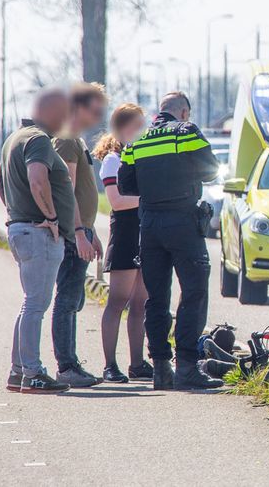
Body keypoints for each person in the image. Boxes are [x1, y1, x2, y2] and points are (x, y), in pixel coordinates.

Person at [118, 92, 220, 390]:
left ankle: (161, 369)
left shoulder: (137, 140)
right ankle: (187, 366)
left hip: (149, 225)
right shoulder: (186, 132)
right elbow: (210, 170)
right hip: (184, 223)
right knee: (194, 292)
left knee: (156, 298)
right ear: (184, 112)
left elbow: (126, 185)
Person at [0, 89, 76, 393]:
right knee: (36, 305)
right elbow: (38, 178)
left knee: (31, 302)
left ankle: (19, 370)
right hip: (38, 232)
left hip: (22, 227)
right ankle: (33, 372)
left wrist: (15, 211)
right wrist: (51, 218)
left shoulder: (14, 138)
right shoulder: (39, 140)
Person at [48, 82, 108, 388]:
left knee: (74, 299)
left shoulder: (77, 140)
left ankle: (71, 363)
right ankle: (67, 366)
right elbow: (67, 191)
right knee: (67, 299)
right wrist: (80, 232)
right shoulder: (68, 139)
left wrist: (91, 229)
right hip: (72, 234)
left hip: (80, 230)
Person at [93, 103, 151, 383]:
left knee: (141, 302)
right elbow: (116, 201)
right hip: (126, 233)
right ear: (123, 128)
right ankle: (109, 365)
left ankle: (137, 363)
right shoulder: (113, 159)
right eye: (137, 126)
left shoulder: (139, 155)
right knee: (118, 300)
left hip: (144, 233)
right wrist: (151, 200)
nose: (142, 131)